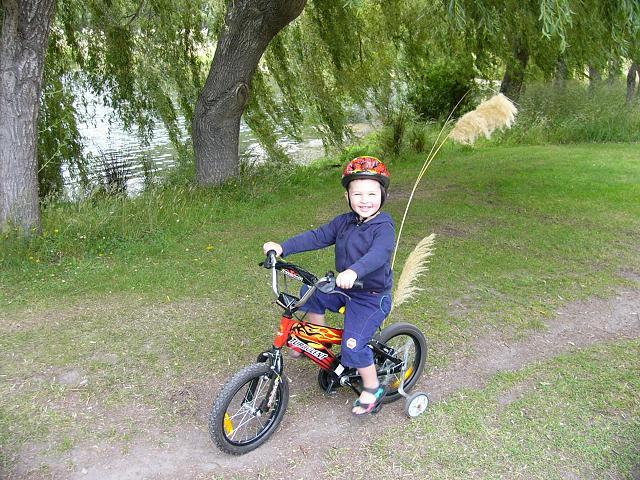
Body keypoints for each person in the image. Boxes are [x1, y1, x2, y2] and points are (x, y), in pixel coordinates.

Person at [263, 156, 395, 416]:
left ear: (382, 194)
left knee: (353, 348)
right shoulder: (344, 222)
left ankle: (372, 386)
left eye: (372, 193)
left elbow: (378, 254)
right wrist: (283, 247)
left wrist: (353, 271)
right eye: (357, 193)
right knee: (310, 294)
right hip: (345, 287)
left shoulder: (384, 227)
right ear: (347, 195)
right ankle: (317, 340)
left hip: (370, 295)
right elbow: (318, 236)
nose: (364, 199)